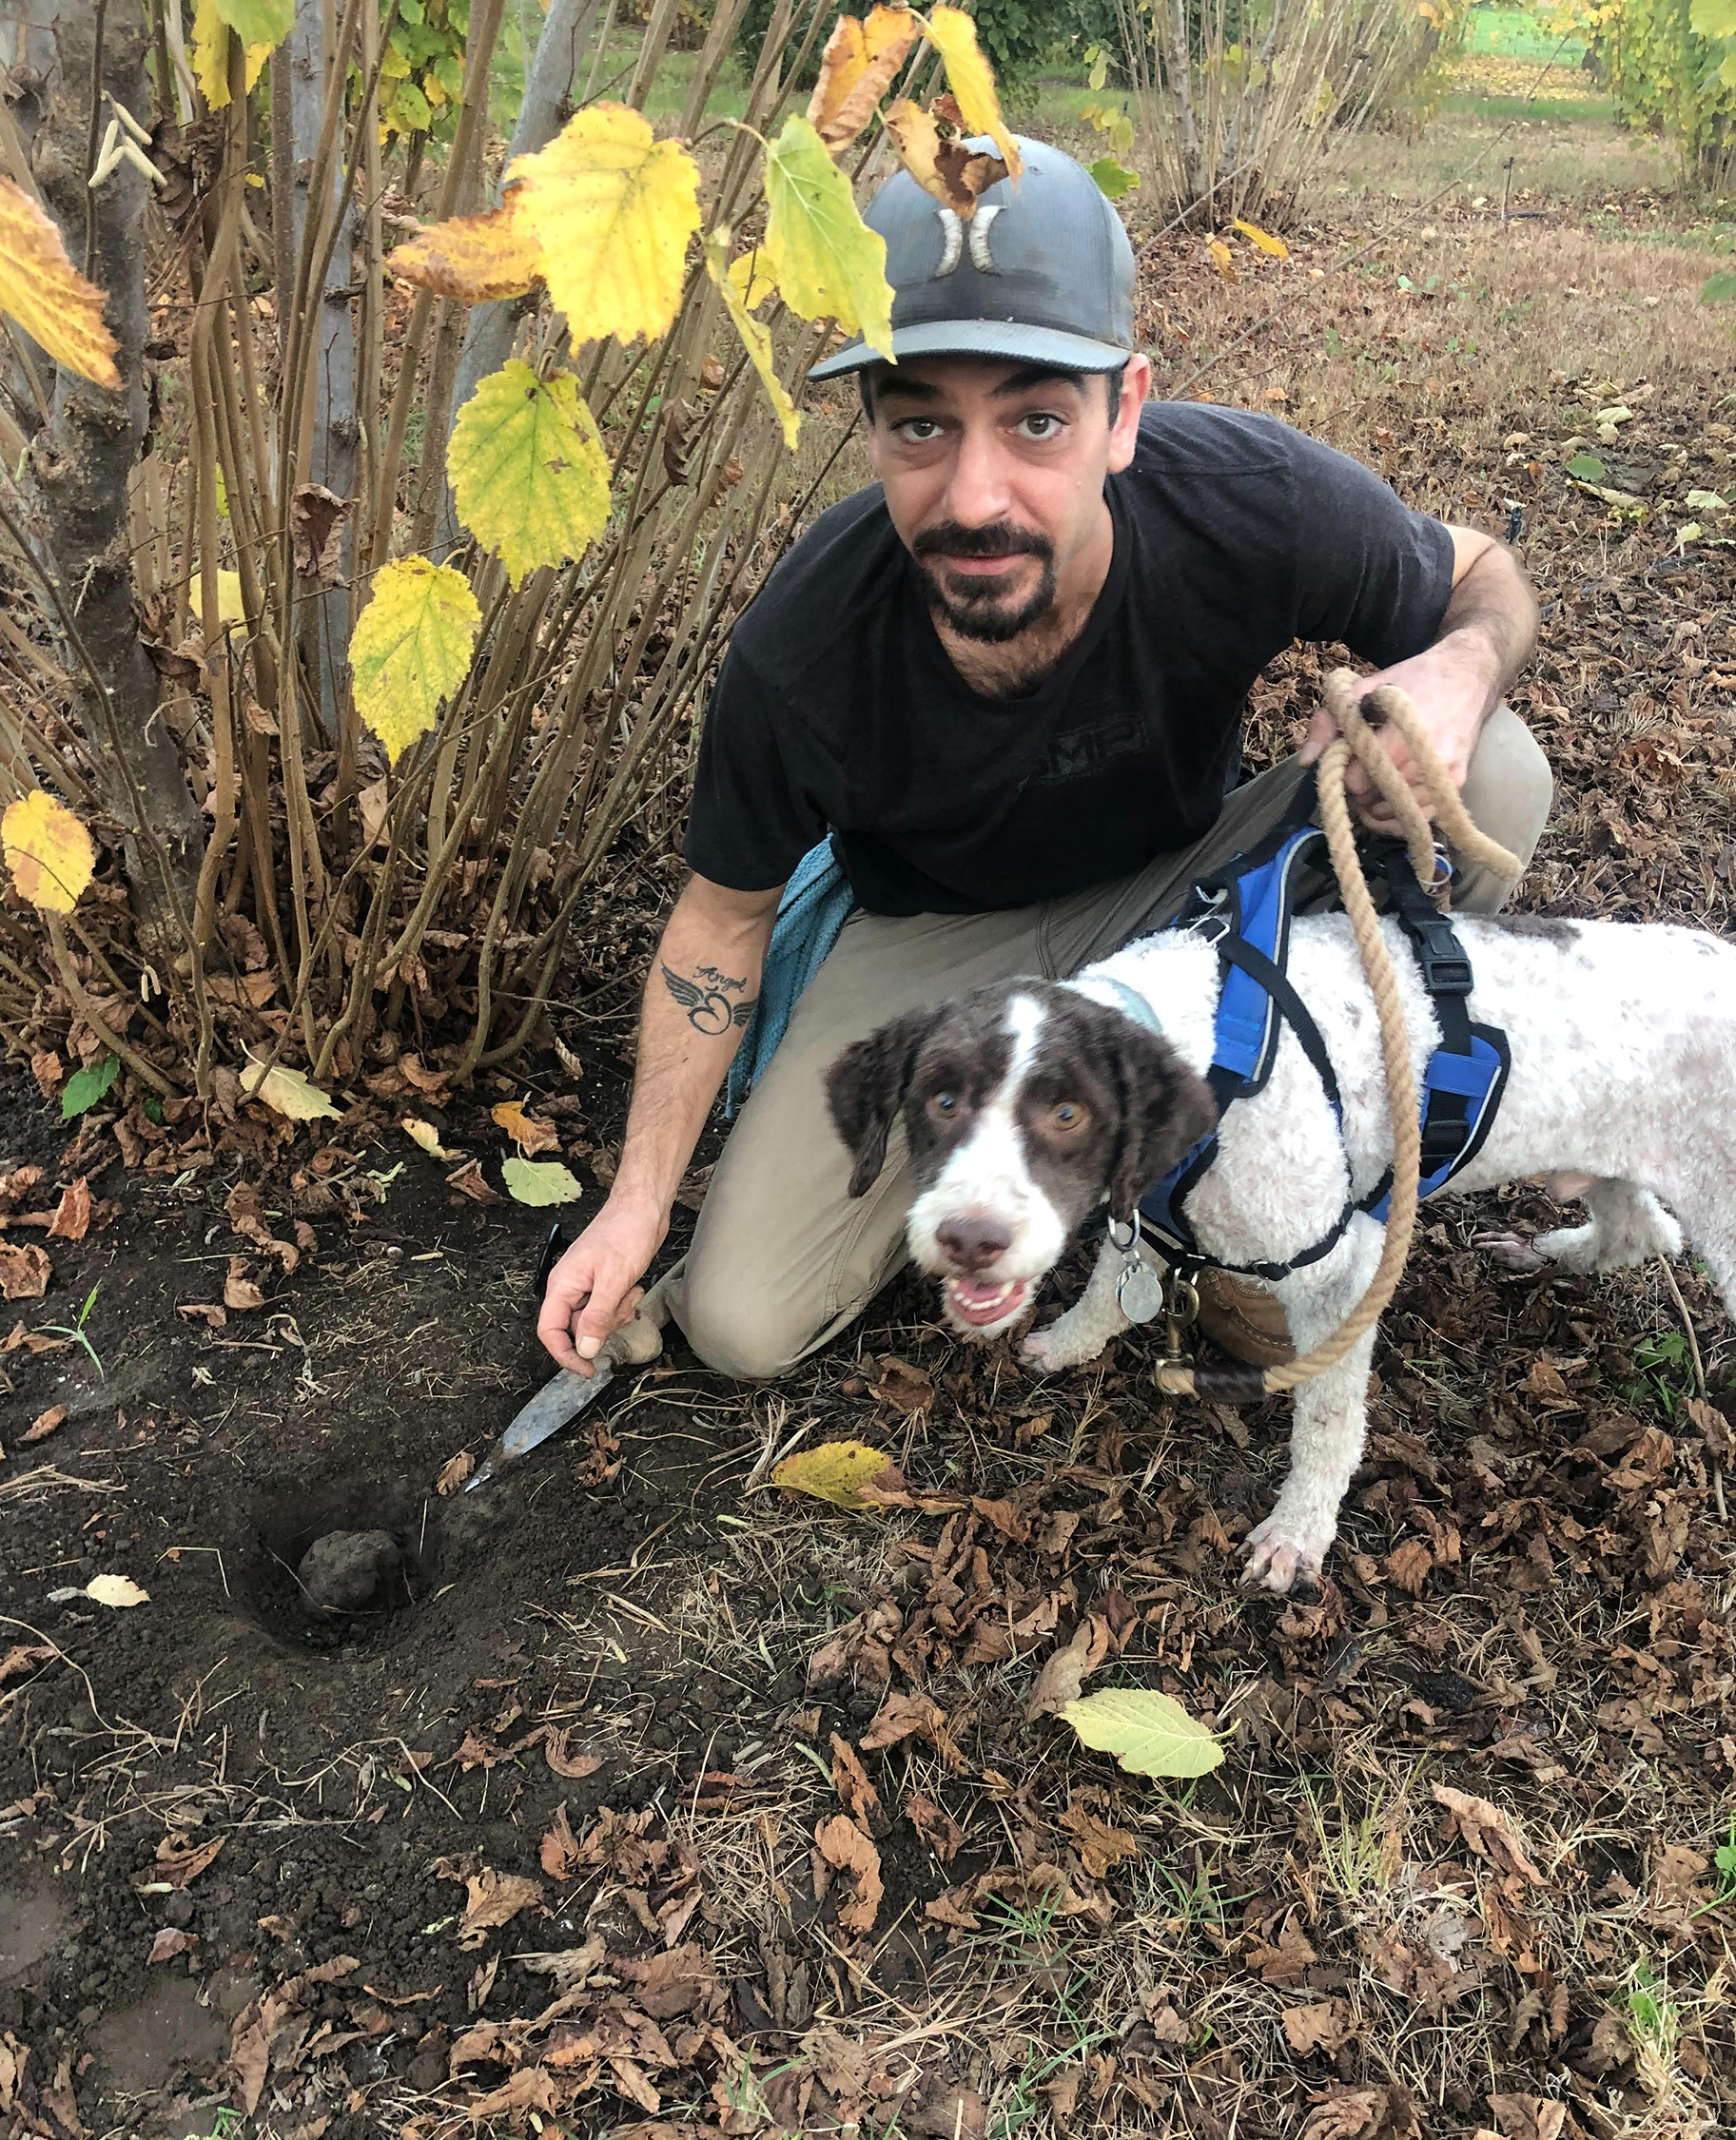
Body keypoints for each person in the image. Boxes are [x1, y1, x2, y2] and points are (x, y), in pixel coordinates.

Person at [536, 136, 1548, 1386]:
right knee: (740, 1325)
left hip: (1188, 875)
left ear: (1123, 410)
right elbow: (716, 924)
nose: (975, 494)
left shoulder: (1241, 498)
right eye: (921, 422)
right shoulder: (801, 652)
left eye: (1033, 419)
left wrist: (1449, 670)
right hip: (936, 941)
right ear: (868, 427)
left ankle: (1278, 1185)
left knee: (1488, 775)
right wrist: (637, 1203)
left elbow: (1480, 577)